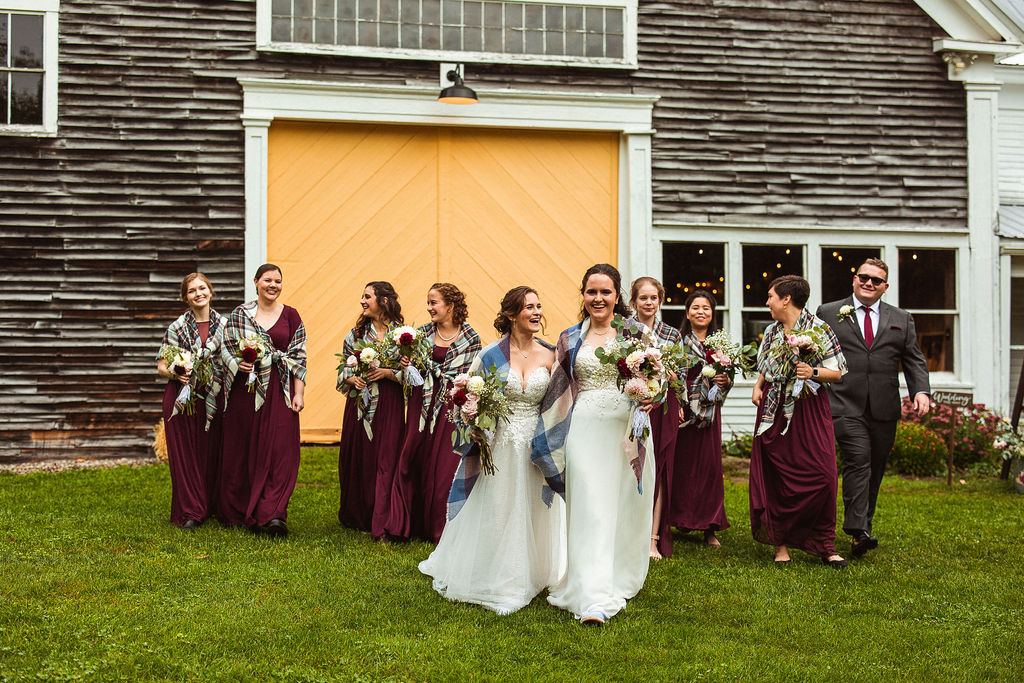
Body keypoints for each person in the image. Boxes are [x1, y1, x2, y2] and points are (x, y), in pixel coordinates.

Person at [419, 286, 566, 614]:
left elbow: (558, 404)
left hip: (537, 443)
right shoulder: (490, 355)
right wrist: (473, 421)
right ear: (512, 315)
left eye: (539, 306)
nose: (537, 312)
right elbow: (467, 398)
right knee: (500, 506)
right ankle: (500, 574)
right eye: (529, 307)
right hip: (499, 444)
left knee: (537, 508)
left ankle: (537, 570)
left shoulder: (550, 354)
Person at [532, 264, 656, 626]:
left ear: (618, 296)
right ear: (583, 295)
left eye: (605, 292)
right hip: (583, 429)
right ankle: (593, 596)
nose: (598, 299)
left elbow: (658, 379)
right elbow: (557, 387)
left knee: (623, 506)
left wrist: (652, 399)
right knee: (590, 506)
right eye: (591, 292)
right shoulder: (570, 337)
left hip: (626, 432)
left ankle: (618, 574)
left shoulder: (636, 334)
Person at [816, 258, 930, 557]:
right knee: (859, 459)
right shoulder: (828, 312)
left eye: (876, 280)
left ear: (885, 287)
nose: (868, 283)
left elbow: (914, 359)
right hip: (843, 402)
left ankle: (861, 531)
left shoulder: (902, 319)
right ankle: (858, 528)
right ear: (854, 279)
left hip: (884, 406)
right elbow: (813, 351)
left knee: (875, 468)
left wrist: (921, 392)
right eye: (863, 277)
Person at [749, 275, 848, 567]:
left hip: (808, 407)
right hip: (774, 407)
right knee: (776, 474)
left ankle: (823, 543)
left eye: (770, 296)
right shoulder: (770, 331)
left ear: (786, 299)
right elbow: (765, 367)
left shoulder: (820, 329)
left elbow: (839, 371)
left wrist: (813, 372)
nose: (768, 302)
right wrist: (757, 386)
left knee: (824, 474)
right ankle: (781, 545)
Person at [387, 283, 481, 543]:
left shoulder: (470, 338)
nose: (429, 308)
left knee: (443, 465)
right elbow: (409, 374)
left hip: (451, 405)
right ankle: (403, 524)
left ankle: (439, 527)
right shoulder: (421, 334)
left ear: (450, 306)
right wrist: (405, 364)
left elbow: (472, 377)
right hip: (422, 402)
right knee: (412, 457)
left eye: (434, 303)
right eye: (428, 303)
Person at [219, 263, 307, 537]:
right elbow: (225, 349)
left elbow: (299, 357)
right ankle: (241, 507)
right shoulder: (239, 315)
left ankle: (274, 513)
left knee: (281, 452)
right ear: (256, 282)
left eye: (278, 281)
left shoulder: (291, 316)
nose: (273, 285)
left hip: (280, 392)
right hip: (246, 393)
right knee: (245, 448)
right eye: (267, 280)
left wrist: (299, 393)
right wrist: (237, 363)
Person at [336, 282, 405, 540]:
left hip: (389, 403)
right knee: (360, 456)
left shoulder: (403, 335)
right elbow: (343, 368)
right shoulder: (355, 335)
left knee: (387, 457)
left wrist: (387, 373)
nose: (362, 301)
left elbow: (413, 374)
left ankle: (385, 515)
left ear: (383, 301)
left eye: (367, 297)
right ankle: (359, 513)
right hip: (359, 405)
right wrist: (351, 379)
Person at [156, 272, 225, 530]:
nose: (198, 294)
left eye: (202, 288)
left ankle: (213, 504)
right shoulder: (177, 328)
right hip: (183, 399)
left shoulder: (226, 325)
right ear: (185, 297)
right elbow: (162, 366)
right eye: (192, 290)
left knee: (212, 452)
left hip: (215, 397)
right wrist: (178, 371)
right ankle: (190, 511)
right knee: (185, 454)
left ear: (211, 290)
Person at [666, 290, 731, 548]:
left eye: (705, 307)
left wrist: (726, 380)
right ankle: (678, 518)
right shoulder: (679, 343)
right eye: (695, 307)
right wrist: (680, 403)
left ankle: (709, 526)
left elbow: (729, 377)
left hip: (709, 414)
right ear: (687, 313)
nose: (700, 311)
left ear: (712, 313)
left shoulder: (721, 346)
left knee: (709, 469)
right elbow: (672, 376)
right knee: (681, 467)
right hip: (684, 413)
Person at [629, 276, 682, 560]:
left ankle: (652, 539)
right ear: (634, 301)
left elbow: (679, 377)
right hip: (631, 406)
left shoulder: (672, 335)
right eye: (643, 298)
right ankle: (628, 534)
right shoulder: (625, 332)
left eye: (654, 298)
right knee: (631, 468)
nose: (649, 303)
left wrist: (665, 380)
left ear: (660, 301)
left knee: (659, 469)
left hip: (662, 407)